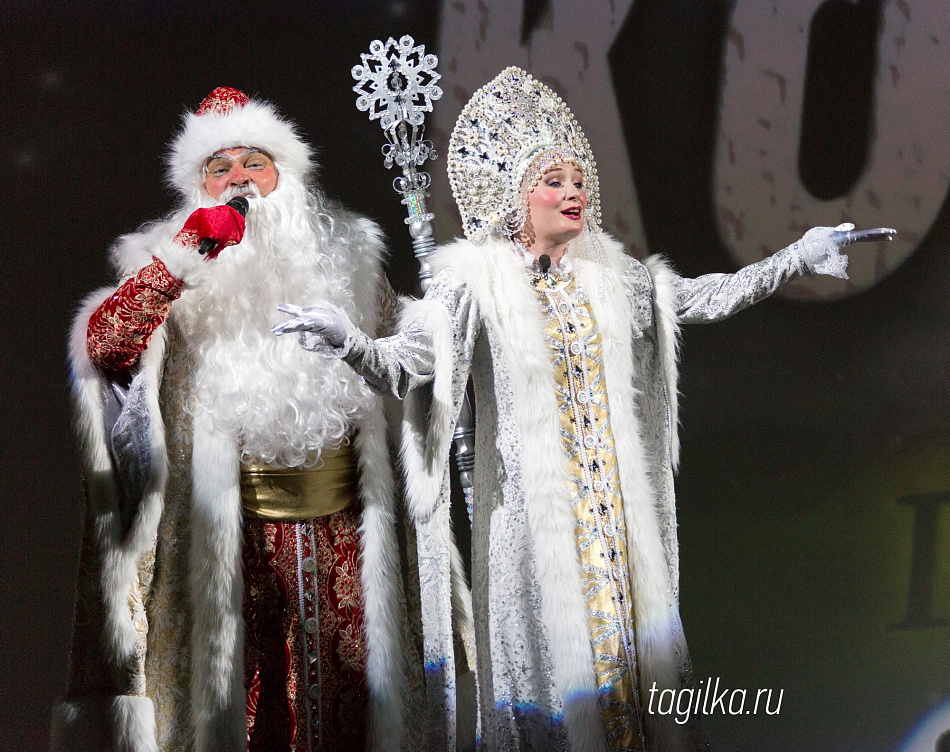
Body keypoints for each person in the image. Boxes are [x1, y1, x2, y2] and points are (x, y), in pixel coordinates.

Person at [274, 68, 894, 751]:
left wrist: (797, 256)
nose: (573, 192)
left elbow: (700, 296)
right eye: (554, 181)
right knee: (554, 700)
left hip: (614, 529)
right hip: (533, 533)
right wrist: (350, 341)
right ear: (516, 197)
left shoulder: (609, 275)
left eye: (578, 179)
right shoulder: (473, 283)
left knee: (633, 691)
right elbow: (410, 362)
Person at [52, 87, 419, 752]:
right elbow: (107, 345)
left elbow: (410, 358)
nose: (239, 180)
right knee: (236, 719)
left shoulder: (350, 255)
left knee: (349, 717)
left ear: (289, 175)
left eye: (255, 162)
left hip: (345, 533)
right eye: (218, 169)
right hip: (222, 533)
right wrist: (187, 255)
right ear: (196, 188)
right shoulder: (165, 259)